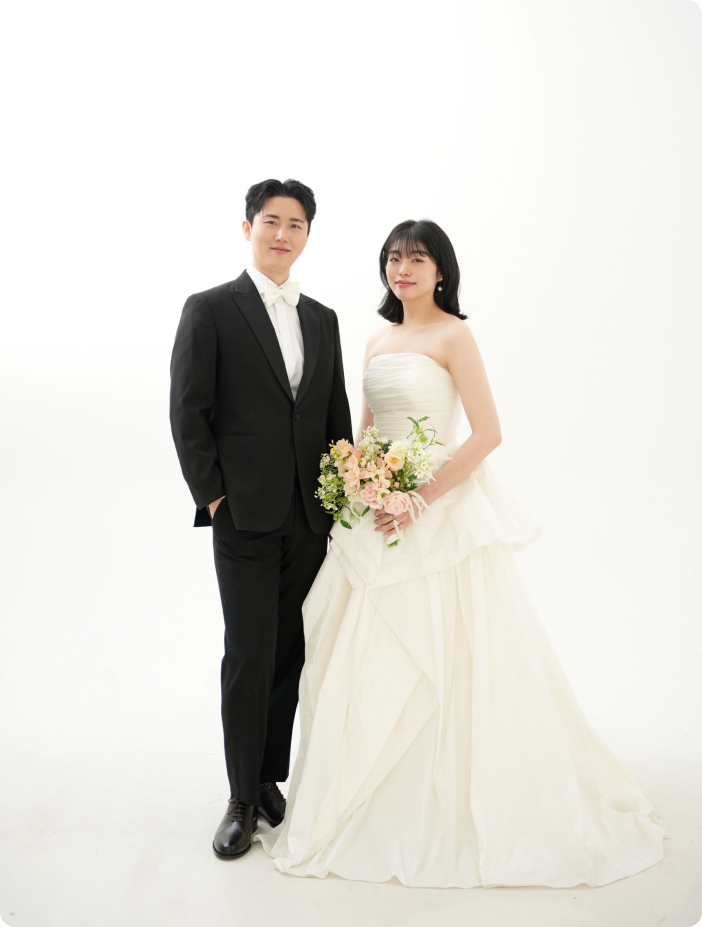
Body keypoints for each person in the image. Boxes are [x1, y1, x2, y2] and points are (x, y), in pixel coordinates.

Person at [257, 219, 665, 887]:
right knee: (361, 655)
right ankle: (365, 804)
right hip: (376, 511)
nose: (403, 269)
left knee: (449, 653)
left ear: (441, 270)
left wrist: (419, 497)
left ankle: (445, 807)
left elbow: (487, 433)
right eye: (394, 258)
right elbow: (365, 428)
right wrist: (360, 480)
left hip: (436, 508)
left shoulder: (454, 335)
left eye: (417, 258)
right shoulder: (376, 339)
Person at [169, 179, 353, 859]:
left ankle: (269, 778)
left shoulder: (323, 318)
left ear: (307, 235)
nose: (282, 234)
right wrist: (214, 497)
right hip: (243, 514)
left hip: (309, 515)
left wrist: (340, 499)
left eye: (295, 224)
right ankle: (241, 798)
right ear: (247, 228)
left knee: (288, 655)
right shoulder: (211, 309)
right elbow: (188, 410)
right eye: (271, 221)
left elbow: (332, 412)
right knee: (249, 654)